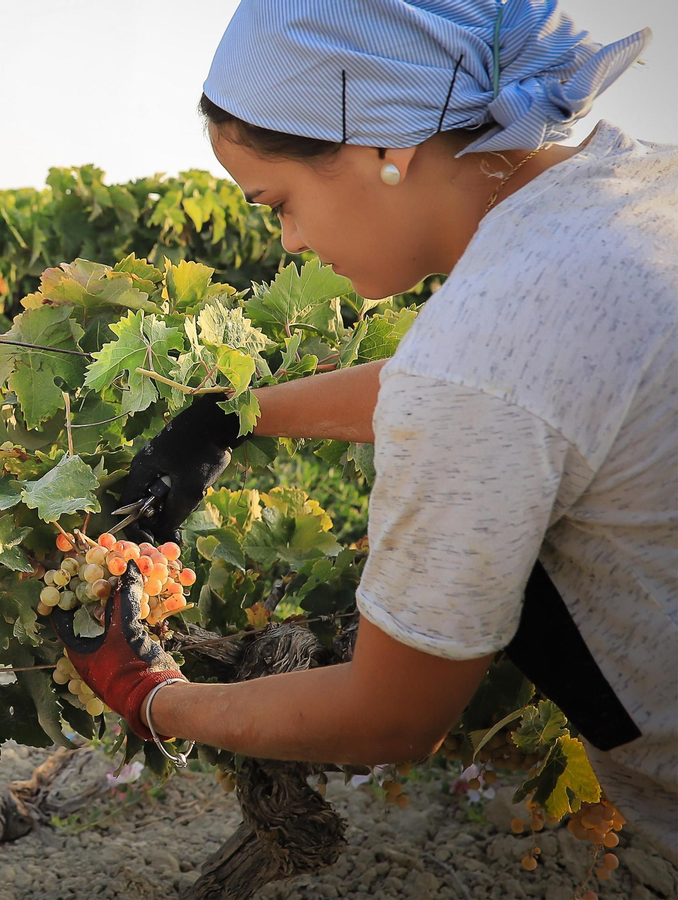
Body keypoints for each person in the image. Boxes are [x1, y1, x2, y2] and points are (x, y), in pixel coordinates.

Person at [57, 0, 678, 864]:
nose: (290, 242)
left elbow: (390, 716)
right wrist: (234, 416)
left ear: (382, 144)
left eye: (279, 203)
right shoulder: (633, 191)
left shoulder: (479, 350)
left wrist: (151, 695)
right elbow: (529, 381)